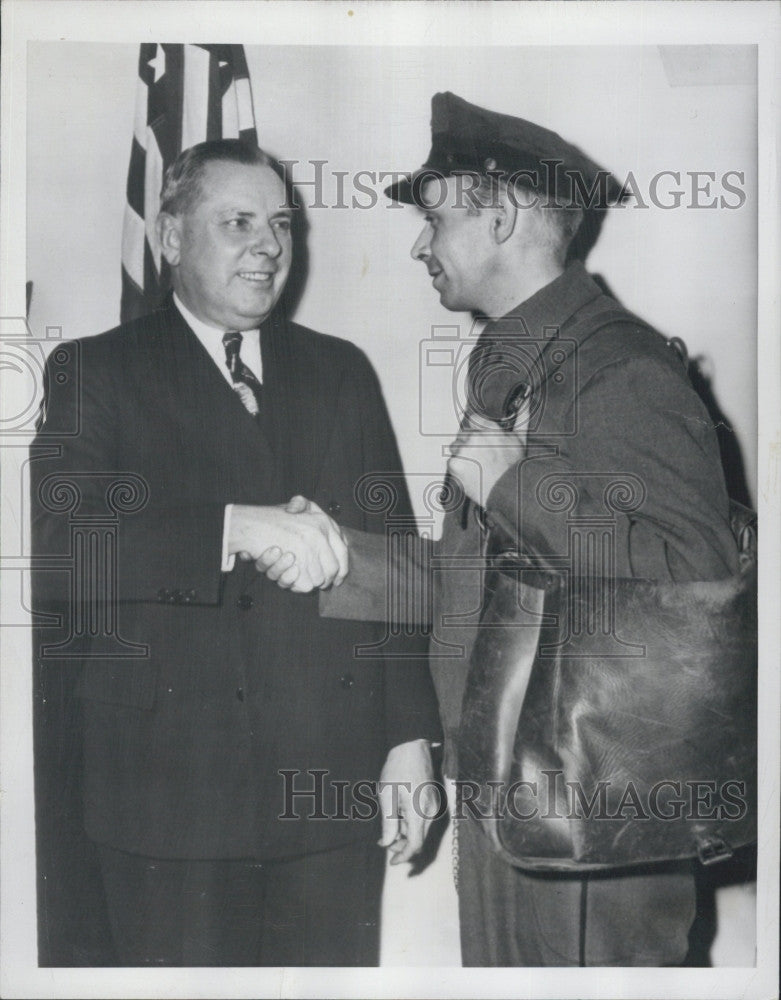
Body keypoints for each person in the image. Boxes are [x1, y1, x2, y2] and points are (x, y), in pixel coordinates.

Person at [259, 93, 741, 966]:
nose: (419, 243)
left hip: (593, 824)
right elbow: (489, 583)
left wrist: (515, 484)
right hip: (516, 790)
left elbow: (692, 572)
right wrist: (341, 559)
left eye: (434, 217)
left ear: (504, 214)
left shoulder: (616, 369)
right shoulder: (525, 361)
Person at [30, 139, 440, 967]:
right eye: (239, 222)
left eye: (281, 224)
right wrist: (231, 527)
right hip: (168, 801)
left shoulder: (339, 371)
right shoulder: (97, 370)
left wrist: (409, 740)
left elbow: (395, 570)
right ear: (172, 238)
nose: (270, 246)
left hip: (326, 790)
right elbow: (59, 550)